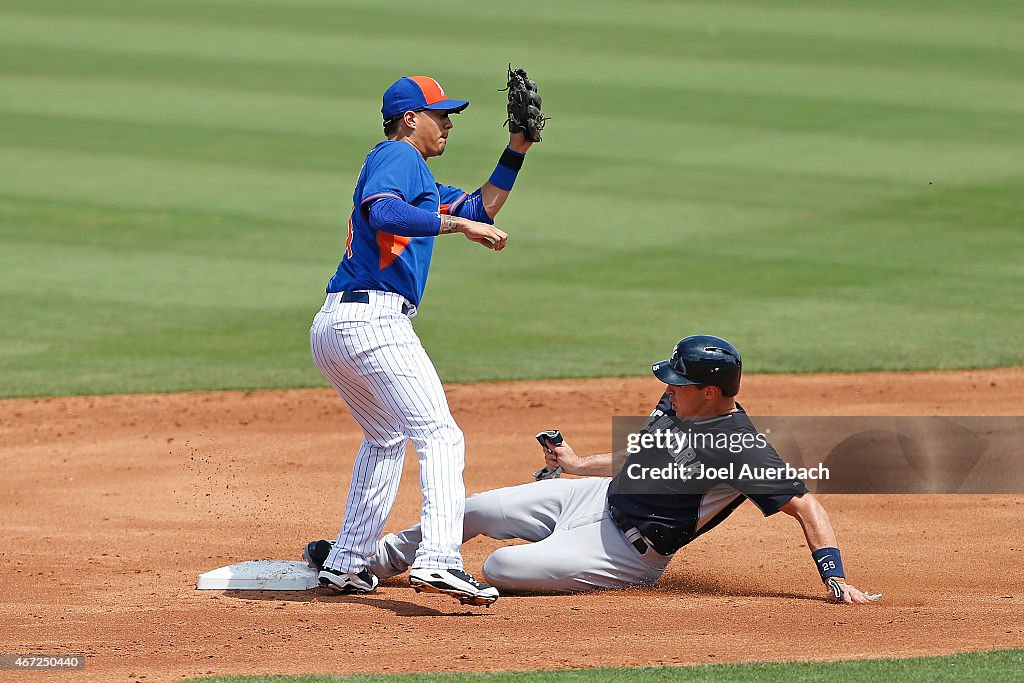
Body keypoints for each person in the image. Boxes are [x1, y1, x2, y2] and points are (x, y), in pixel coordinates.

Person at [306, 335, 881, 604]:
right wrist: (579, 464)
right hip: (597, 498)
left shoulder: (741, 447)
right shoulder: (680, 406)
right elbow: (645, 451)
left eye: (679, 384)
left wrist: (833, 578)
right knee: (474, 508)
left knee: (499, 563)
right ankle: (369, 562)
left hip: (628, 552)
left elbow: (806, 504)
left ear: (711, 392)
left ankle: (521, 562)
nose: (667, 390)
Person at [308, 75, 536, 606]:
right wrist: (457, 228)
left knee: (387, 437)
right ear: (411, 118)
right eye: (441, 114)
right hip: (372, 322)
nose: (449, 124)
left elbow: (480, 209)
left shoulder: (419, 178)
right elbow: (381, 211)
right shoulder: (396, 155)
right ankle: (438, 560)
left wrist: (516, 149)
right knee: (440, 435)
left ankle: (346, 562)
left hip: (339, 325)